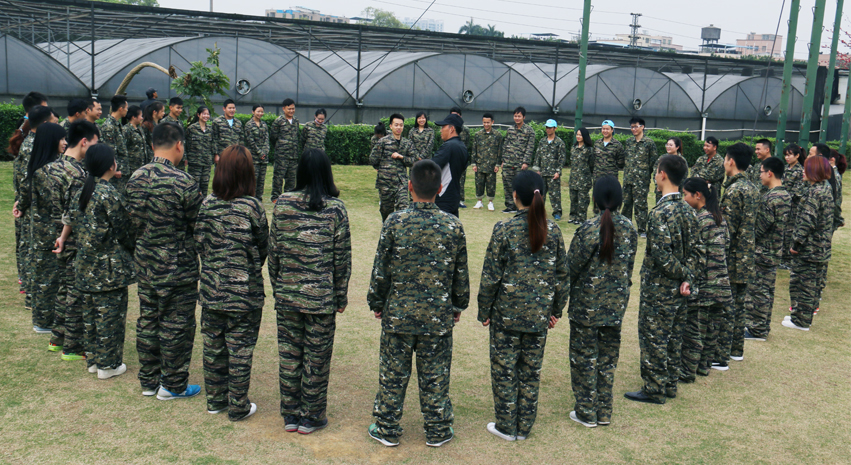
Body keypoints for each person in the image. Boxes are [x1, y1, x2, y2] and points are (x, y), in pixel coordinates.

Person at [367, 159, 469, 448]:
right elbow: (460, 275)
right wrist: (457, 306)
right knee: (435, 376)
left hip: (398, 316)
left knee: (392, 375)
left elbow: (381, 270)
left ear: (409, 187)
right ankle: (437, 429)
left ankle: (386, 427)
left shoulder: (394, 222)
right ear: (440, 188)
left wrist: (377, 301)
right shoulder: (452, 226)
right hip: (437, 318)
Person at [478, 170, 568, 439]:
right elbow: (562, 276)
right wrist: (555, 310)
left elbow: (490, 276)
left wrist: (485, 310)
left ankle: (507, 425)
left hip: (506, 314)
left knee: (505, 369)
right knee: (531, 371)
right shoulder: (553, 230)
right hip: (538, 316)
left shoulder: (505, 228)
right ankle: (524, 426)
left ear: (514, 195)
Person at [269, 148, 351, 434]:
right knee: (317, 358)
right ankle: (311, 416)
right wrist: (340, 296)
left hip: (288, 296)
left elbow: (274, 254)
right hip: (321, 300)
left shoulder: (282, 205)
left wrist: (280, 288)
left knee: (290, 356)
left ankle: (290, 414)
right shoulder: (335, 209)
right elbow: (342, 259)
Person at [125, 122, 203, 400]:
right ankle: (173, 384)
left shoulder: (134, 178)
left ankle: (149, 380)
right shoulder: (184, 182)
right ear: (179, 145)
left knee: (148, 320)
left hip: (145, 264)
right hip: (177, 268)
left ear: (152, 145)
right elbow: (199, 226)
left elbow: (130, 225)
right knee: (177, 325)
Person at [194, 145, 269, 422]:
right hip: (243, 294)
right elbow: (263, 247)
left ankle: (215, 400)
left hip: (212, 289)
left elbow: (199, 242)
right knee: (240, 349)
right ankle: (238, 405)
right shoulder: (252, 207)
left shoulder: (207, 205)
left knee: (213, 346)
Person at [624, 154, 699, 404]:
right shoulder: (689, 211)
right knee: (674, 337)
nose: (655, 176)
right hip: (680, 289)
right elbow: (698, 252)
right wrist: (688, 276)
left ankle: (655, 388)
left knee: (654, 336)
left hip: (660, 288)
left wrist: (684, 274)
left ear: (662, 174)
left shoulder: (659, 213)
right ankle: (668, 384)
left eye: (656, 171)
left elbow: (662, 256)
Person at [567, 175, 637, 427]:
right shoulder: (629, 228)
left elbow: (570, 268)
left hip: (586, 307)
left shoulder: (588, 229)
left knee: (584, 358)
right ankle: (603, 411)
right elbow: (628, 267)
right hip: (615, 306)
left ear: (594, 199)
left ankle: (587, 411)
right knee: (607, 360)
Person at [71, 144, 136, 379]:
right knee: (110, 316)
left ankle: (94, 360)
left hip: (85, 266)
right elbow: (125, 230)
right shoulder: (108, 193)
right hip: (107, 269)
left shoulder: (83, 191)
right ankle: (108, 366)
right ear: (111, 165)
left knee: (90, 316)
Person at [48, 120, 99, 361]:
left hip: (54, 237)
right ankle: (72, 345)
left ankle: (57, 338)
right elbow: (76, 211)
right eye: (95, 144)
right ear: (84, 141)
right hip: (72, 238)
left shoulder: (52, 166)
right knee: (76, 293)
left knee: (63, 289)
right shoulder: (79, 174)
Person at [13, 122, 67, 334]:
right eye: (62, 139)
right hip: (50, 232)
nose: (64, 143)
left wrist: (20, 206)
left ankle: (44, 320)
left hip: (40, 231)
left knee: (44, 276)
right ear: (51, 141)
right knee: (47, 279)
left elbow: (24, 194)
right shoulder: (50, 171)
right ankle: (44, 322)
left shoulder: (37, 168)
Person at [680, 177, 732, 378]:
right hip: (721, 283)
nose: (684, 198)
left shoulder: (699, 220)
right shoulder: (719, 218)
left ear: (697, 195)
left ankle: (688, 370)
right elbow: (725, 247)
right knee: (712, 330)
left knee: (695, 330)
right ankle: (703, 366)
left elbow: (696, 255)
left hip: (704, 284)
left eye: (686, 194)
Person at [716, 143, 758, 367]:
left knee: (726, 307)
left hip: (733, 259)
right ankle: (735, 350)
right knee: (739, 306)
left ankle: (721, 357)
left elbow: (728, 230)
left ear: (730, 161)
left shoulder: (734, 191)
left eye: (725, 158)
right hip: (746, 257)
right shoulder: (751, 187)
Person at [784, 156, 834, 331]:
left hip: (809, 249)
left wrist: (796, 244)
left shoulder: (814, 193)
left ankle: (800, 321)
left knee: (802, 284)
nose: (803, 172)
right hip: (821, 248)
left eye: (807, 169)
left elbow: (807, 221)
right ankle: (802, 316)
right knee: (812, 284)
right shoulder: (825, 189)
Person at [11, 105, 54, 307]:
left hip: (32, 203)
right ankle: (31, 295)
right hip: (32, 206)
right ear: (45, 123)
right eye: (54, 120)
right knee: (32, 250)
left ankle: (33, 293)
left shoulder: (36, 142)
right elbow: (27, 181)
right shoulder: (32, 146)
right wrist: (22, 201)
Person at [744, 157, 790, 341]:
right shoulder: (784, 194)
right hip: (774, 250)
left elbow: (760, 228)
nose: (760, 175)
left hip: (763, 252)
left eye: (761, 172)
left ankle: (757, 330)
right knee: (767, 291)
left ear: (769, 173)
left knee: (758, 292)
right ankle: (762, 327)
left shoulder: (771, 198)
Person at [370, 113, 415, 221]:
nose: (399, 127)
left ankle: (401, 233)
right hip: (386, 182)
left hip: (401, 181)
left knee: (404, 208)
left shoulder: (407, 143)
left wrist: (401, 157)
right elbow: (373, 158)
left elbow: (413, 160)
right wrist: (381, 168)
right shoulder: (383, 142)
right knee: (386, 211)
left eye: (401, 125)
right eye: (396, 125)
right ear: (391, 126)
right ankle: (388, 230)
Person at [621, 117, 657, 236]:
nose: (633, 129)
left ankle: (642, 229)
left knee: (640, 205)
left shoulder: (649, 143)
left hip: (641, 180)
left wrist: (646, 175)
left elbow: (653, 162)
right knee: (626, 204)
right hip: (628, 179)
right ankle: (625, 227)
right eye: (632, 127)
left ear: (642, 127)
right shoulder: (628, 142)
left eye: (636, 126)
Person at [432, 113, 469, 217]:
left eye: (443, 127)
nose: (441, 130)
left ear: (451, 129)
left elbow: (431, 168)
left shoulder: (448, 146)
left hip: (443, 197)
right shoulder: (463, 147)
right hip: (454, 196)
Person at [500, 106, 536, 213]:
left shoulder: (529, 131)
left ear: (524, 117)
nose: (517, 118)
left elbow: (530, 147)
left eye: (519, 116)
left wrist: (526, 162)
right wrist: (503, 160)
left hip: (520, 163)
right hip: (508, 162)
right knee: (507, 184)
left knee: (520, 185)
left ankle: (520, 207)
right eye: (515, 116)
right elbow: (505, 144)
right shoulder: (510, 130)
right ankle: (510, 205)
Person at [781, 144, 806, 268]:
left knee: (789, 233)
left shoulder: (800, 171)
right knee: (782, 231)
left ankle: (788, 260)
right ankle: (782, 258)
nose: (787, 157)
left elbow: (798, 192)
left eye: (790, 155)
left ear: (797, 156)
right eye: (786, 155)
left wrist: (783, 197)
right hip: (782, 206)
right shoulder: (785, 169)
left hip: (793, 207)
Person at [270, 98, 300, 199]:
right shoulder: (278, 121)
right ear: (284, 109)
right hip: (281, 155)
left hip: (293, 155)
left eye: (293, 108)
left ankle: (289, 197)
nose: (291, 111)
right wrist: (280, 147)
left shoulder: (296, 121)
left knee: (291, 179)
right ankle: (275, 197)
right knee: (278, 177)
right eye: (289, 109)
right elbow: (273, 137)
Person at [471, 113, 503, 211]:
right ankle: (479, 201)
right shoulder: (478, 135)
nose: (486, 124)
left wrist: (498, 164)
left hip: (492, 165)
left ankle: (490, 202)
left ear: (492, 122)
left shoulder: (498, 135)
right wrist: (473, 163)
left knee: (491, 184)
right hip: (480, 164)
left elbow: (500, 150)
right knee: (479, 183)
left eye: (488, 122)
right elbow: (474, 149)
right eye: (484, 122)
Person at [98, 95, 128, 193]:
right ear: (120, 109)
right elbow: (110, 150)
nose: (127, 110)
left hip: (122, 170)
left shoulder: (117, 124)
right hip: (115, 172)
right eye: (126, 108)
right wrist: (116, 169)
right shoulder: (109, 126)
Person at [185, 106, 216, 196]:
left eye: (207, 114)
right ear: (198, 115)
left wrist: (214, 155)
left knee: (205, 185)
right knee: (194, 186)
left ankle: (203, 205)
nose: (206, 116)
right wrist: (186, 157)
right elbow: (186, 144)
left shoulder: (210, 129)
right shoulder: (192, 129)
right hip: (195, 162)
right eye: (204, 114)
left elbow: (213, 143)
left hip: (206, 162)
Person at [243, 105, 270, 199]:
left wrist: (265, 152)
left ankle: (259, 199)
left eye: (262, 111)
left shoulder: (264, 124)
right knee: (253, 179)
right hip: (253, 157)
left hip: (263, 158)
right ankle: (251, 199)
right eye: (258, 111)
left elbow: (267, 139)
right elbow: (250, 141)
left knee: (261, 181)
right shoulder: (249, 125)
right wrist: (259, 152)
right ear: (253, 112)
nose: (260, 113)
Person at [567, 126, 593, 223]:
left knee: (582, 199)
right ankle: (573, 217)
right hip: (573, 178)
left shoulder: (589, 150)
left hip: (584, 179)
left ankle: (581, 218)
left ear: (585, 136)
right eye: (577, 134)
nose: (578, 136)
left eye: (580, 135)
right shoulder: (573, 148)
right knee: (573, 198)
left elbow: (591, 164)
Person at [449, 107, 472, 208]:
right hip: (450, 158)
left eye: (456, 115)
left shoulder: (465, 129)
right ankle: (450, 199)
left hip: (461, 158)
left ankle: (460, 200)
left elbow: (467, 145)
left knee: (461, 180)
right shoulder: (447, 128)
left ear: (460, 116)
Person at [653, 137, 686, 205]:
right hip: (661, 191)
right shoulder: (662, 158)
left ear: (677, 147)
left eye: (671, 145)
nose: (668, 147)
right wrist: (658, 185)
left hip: (675, 192)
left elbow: (683, 176)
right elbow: (655, 173)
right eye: (667, 145)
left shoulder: (681, 160)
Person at [211, 99, 244, 163]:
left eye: (233, 108)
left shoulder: (238, 123)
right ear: (224, 109)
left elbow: (241, 139)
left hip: (235, 155)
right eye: (229, 108)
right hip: (222, 154)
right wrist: (216, 154)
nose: (232, 110)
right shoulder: (217, 122)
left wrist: (241, 153)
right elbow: (214, 139)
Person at [122, 105, 147, 181]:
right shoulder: (126, 130)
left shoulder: (139, 128)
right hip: (132, 168)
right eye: (140, 116)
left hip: (141, 167)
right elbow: (123, 148)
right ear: (134, 117)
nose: (142, 118)